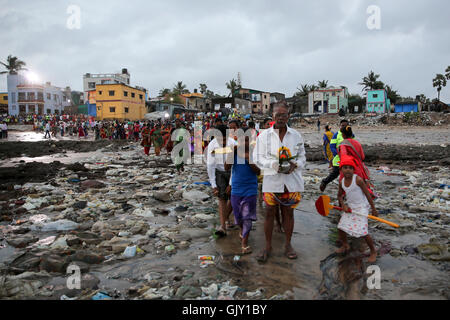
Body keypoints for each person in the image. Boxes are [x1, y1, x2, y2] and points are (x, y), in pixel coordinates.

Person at [254, 101, 306, 262]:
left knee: (288, 213)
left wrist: (295, 165)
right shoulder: (264, 136)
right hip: (272, 180)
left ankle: (288, 245)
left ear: (288, 116)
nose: (281, 117)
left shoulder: (296, 135)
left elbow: (303, 157)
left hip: (291, 180)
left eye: (284, 114)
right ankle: (268, 246)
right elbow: (257, 158)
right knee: (269, 212)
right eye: (278, 115)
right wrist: (272, 165)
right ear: (272, 116)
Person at [225, 127, 260, 254]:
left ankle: (244, 243)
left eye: (246, 140)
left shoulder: (254, 152)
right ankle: (241, 230)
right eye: (241, 141)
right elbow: (226, 167)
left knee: (247, 217)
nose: (243, 143)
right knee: (238, 217)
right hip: (236, 189)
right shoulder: (233, 152)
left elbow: (258, 171)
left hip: (250, 189)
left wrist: (249, 160)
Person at [336, 155, 378, 263]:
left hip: (361, 207)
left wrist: (373, 208)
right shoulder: (341, 182)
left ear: (354, 170)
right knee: (341, 227)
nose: (348, 170)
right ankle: (345, 245)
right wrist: (343, 205)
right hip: (350, 207)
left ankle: (373, 251)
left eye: (350, 167)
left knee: (363, 231)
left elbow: (367, 194)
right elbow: (339, 196)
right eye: (345, 167)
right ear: (341, 170)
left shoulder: (358, 180)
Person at [207, 124, 237, 237]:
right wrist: (213, 185)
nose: (222, 142)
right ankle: (223, 226)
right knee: (221, 198)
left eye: (224, 139)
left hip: (233, 171)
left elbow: (235, 165)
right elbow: (210, 165)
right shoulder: (212, 145)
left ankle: (227, 219)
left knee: (233, 197)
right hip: (219, 171)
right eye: (220, 139)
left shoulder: (233, 144)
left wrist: (231, 183)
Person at [320, 119, 351, 192]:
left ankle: (344, 192)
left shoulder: (351, 135)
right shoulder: (336, 134)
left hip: (348, 159)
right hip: (338, 159)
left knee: (347, 176)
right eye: (342, 125)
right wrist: (338, 154)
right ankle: (324, 182)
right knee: (335, 174)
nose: (343, 127)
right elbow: (332, 146)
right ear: (340, 126)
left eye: (345, 125)